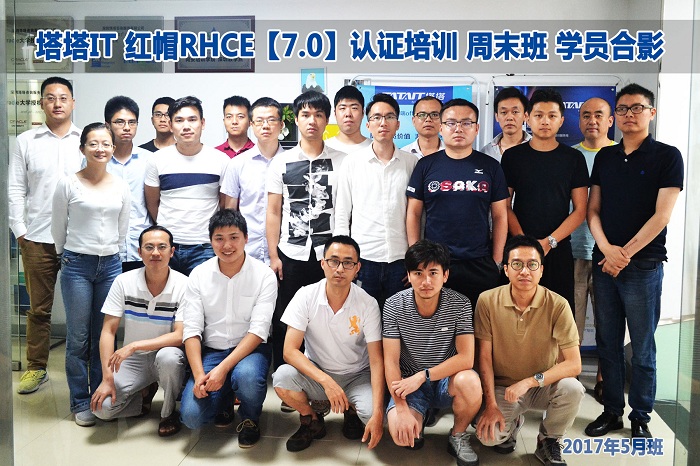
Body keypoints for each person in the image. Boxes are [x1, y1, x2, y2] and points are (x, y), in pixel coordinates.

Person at [584, 83, 684, 439]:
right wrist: (606, 249)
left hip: (643, 266)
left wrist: (623, 254)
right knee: (608, 344)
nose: (629, 114)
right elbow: (592, 210)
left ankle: (640, 416)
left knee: (642, 347)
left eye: (637, 108)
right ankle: (612, 411)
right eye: (623, 109)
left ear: (651, 113)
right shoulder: (606, 157)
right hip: (604, 263)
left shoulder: (668, 156)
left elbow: (662, 216)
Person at [475, 235, 584, 466]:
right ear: (506, 270)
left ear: (541, 270)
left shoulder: (558, 304)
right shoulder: (487, 301)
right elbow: (483, 357)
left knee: (572, 388)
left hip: (542, 384)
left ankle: (549, 439)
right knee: (489, 438)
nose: (524, 271)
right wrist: (491, 404)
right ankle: (513, 423)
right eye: (517, 264)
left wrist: (529, 382)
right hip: (504, 388)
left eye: (532, 264)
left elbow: (574, 364)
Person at [51, 122, 130, 426]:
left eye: (106, 144)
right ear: (82, 148)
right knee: (78, 338)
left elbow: (122, 228)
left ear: (113, 148)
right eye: (93, 143)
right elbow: (58, 226)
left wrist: (113, 252)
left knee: (104, 335)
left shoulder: (120, 185)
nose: (100, 149)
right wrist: (66, 254)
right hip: (77, 265)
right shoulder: (68, 183)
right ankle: (80, 401)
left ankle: (101, 395)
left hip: (110, 265)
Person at [273, 236, 384, 452]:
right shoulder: (306, 295)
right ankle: (311, 418)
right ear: (323, 263)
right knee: (282, 378)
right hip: (318, 373)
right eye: (333, 261)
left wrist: (378, 413)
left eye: (348, 263)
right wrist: (326, 382)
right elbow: (289, 351)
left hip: (357, 375)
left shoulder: (368, 303)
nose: (340, 269)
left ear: (357, 268)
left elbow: (376, 360)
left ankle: (351, 411)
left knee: (373, 413)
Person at [9, 76, 83, 394]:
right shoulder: (26, 141)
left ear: (73, 103)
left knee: (83, 311)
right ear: (41, 103)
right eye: (50, 98)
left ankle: (85, 369)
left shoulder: (86, 139)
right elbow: (15, 187)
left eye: (63, 97)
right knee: (39, 309)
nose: (57, 103)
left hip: (79, 238)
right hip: (37, 238)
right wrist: (20, 231)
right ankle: (36, 368)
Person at [179, 209, 277, 448]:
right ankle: (223, 400)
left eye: (234, 237)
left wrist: (222, 369)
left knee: (247, 377)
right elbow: (191, 330)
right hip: (212, 351)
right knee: (191, 417)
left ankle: (249, 418)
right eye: (219, 238)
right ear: (211, 241)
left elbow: (258, 331)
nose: (227, 245)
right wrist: (199, 375)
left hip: (251, 350)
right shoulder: (199, 275)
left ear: (246, 238)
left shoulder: (264, 275)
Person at [266, 90, 347, 372]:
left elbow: (346, 208)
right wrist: (273, 255)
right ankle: (286, 376)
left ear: (327, 120)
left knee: (327, 317)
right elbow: (273, 211)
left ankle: (325, 375)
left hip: (330, 254)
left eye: (318, 115)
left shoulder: (343, 161)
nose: (312, 121)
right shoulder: (281, 161)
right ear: (297, 120)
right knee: (287, 317)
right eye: (305, 114)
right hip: (291, 252)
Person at [383, 240, 482, 466]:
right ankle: (421, 412)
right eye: (418, 273)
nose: (426, 281)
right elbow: (391, 361)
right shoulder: (393, 305)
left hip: (444, 381)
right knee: (401, 436)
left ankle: (458, 435)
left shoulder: (460, 304)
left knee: (470, 381)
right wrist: (401, 408)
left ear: (445, 275)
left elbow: (466, 358)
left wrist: (424, 375)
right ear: (408, 276)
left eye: (433, 273)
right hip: (409, 384)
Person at [406, 98, 509, 308]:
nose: (458, 128)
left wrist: (497, 262)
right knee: (437, 323)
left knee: (480, 324)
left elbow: (500, 215)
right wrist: (417, 259)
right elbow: (413, 214)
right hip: (435, 264)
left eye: (466, 123)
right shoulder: (425, 166)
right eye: (451, 123)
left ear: (476, 128)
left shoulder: (491, 167)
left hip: (479, 263)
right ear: (441, 128)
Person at [90, 225, 187, 437]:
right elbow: (108, 330)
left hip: (165, 354)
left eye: (162, 247)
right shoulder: (123, 281)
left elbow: (180, 336)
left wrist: (134, 345)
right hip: (133, 361)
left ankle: (168, 413)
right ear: (139, 252)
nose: (155, 253)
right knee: (102, 409)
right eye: (149, 247)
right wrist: (107, 378)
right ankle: (143, 396)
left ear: (172, 251)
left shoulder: (184, 285)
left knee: (169, 358)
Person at [501, 88, 589, 312]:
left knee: (558, 313)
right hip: (519, 249)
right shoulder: (512, 157)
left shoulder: (573, 158)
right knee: (517, 312)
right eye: (539, 115)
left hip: (557, 248)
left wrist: (549, 242)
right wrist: (524, 243)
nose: (545, 121)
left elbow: (580, 210)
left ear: (561, 120)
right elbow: (504, 205)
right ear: (528, 118)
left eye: (552, 116)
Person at [334, 93, 417, 309]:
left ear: (398, 124)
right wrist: (344, 259)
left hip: (400, 260)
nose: (383, 123)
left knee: (398, 321)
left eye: (389, 117)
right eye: (377, 117)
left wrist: (416, 259)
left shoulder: (411, 163)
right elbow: (342, 212)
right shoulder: (352, 162)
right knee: (360, 320)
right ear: (368, 124)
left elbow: (419, 214)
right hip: (363, 259)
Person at [144, 96, 229, 276]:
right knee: (167, 294)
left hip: (205, 245)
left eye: (192, 119)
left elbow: (224, 204)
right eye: (179, 120)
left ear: (202, 123)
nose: (186, 126)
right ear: (170, 124)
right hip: (167, 245)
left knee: (202, 293)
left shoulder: (220, 160)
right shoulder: (157, 159)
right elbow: (152, 203)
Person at [571, 97, 615, 404]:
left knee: (607, 324)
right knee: (570, 324)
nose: (592, 121)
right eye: (586, 115)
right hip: (573, 250)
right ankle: (570, 377)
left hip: (608, 254)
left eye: (599, 115)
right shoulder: (570, 156)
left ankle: (603, 379)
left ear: (610, 120)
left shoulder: (619, 155)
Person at [222, 97, 286, 265]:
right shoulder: (237, 164)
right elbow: (230, 211)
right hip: (247, 250)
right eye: (259, 121)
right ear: (251, 124)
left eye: (271, 120)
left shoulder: (291, 163)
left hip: (284, 252)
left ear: (281, 124)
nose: (265, 126)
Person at [103, 95, 153, 272]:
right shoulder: (97, 161)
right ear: (107, 125)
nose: (127, 127)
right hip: (107, 247)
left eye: (132, 122)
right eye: (120, 122)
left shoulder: (149, 160)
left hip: (141, 246)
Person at [480, 87, 532, 162]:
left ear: (525, 116)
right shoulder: (486, 152)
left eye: (515, 112)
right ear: (497, 116)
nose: (509, 118)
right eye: (504, 112)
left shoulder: (537, 148)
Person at [324, 85, 371, 154]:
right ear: (335, 113)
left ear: (363, 113)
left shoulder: (374, 149)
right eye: (342, 108)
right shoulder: (324, 148)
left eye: (354, 108)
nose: (348, 114)